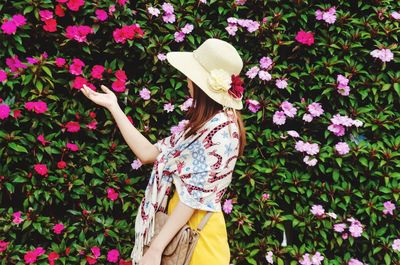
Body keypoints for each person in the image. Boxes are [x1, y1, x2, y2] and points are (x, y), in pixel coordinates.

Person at [79, 38, 247, 265]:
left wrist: (156, 248)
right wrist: (114, 106)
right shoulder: (203, 125)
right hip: (182, 232)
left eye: (191, 75)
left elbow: (193, 198)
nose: (187, 80)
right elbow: (148, 153)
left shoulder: (220, 132)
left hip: (196, 239)